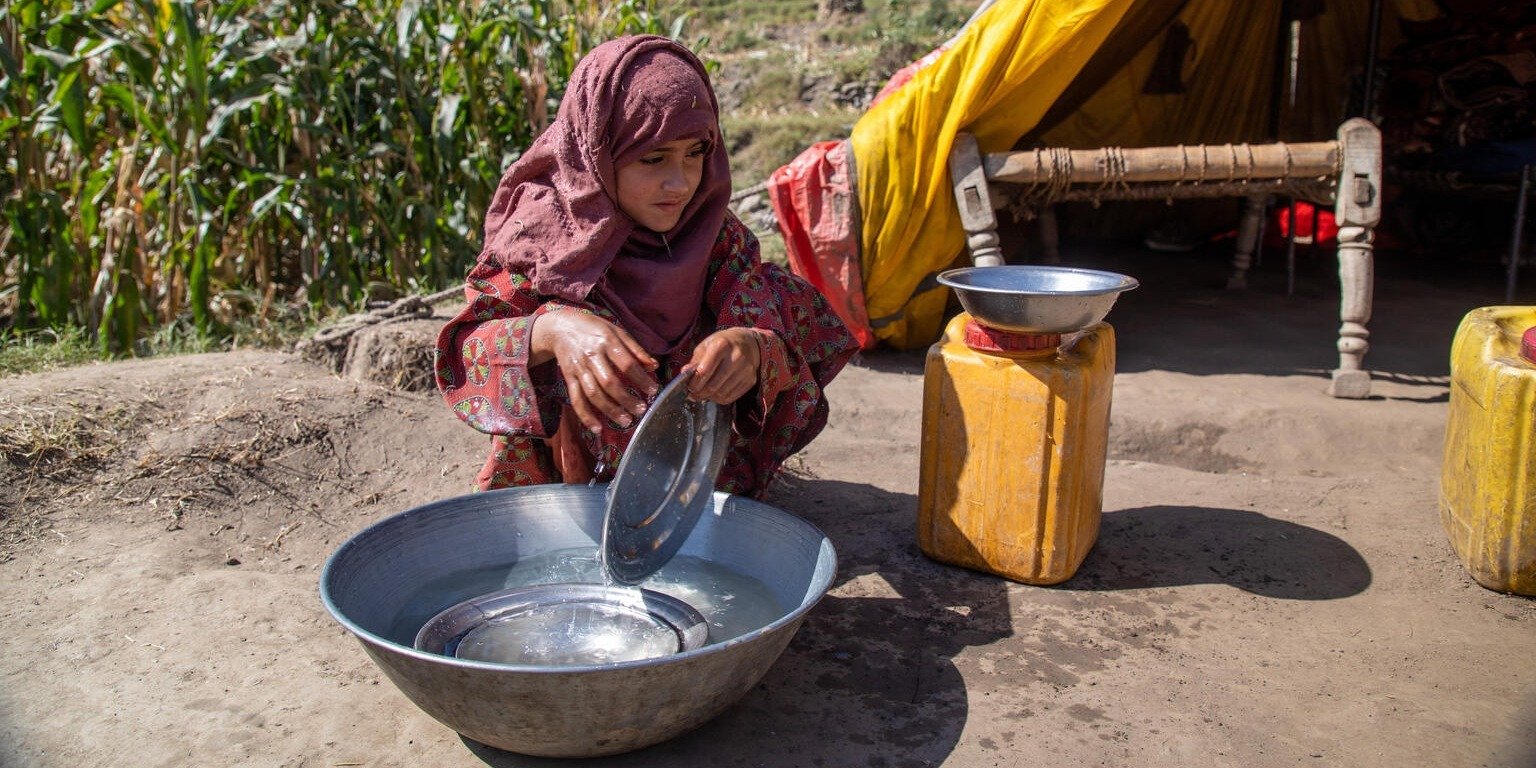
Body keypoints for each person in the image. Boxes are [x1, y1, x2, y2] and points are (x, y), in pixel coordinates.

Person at [434, 35, 858, 500]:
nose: (680, 183)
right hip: (566, 491)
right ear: (597, 149)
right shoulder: (539, 237)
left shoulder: (711, 232)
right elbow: (464, 351)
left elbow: (780, 306)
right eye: (653, 158)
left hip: (697, 485)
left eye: (695, 153)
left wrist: (750, 347)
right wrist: (552, 331)